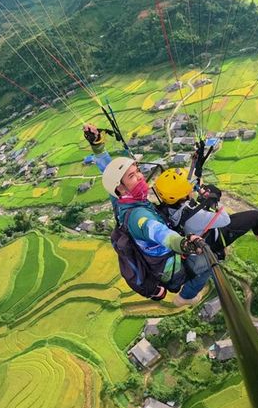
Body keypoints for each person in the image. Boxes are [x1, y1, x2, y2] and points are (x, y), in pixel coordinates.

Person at [83, 123, 210, 306]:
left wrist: (97, 146)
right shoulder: (139, 217)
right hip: (169, 269)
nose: (141, 177)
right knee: (212, 261)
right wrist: (182, 243)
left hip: (156, 257)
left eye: (138, 172)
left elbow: (107, 169)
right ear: (120, 188)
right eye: (132, 176)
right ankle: (186, 297)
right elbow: (157, 231)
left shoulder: (119, 199)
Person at [153, 167, 258, 260]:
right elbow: (225, 219)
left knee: (213, 195)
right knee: (255, 216)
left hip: (195, 232)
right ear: (182, 194)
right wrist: (214, 200)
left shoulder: (167, 206)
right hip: (213, 238)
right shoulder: (195, 216)